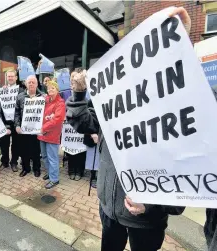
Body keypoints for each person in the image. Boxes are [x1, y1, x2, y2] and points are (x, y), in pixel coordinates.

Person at [66, 8, 191, 251]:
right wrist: (79, 92)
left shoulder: (175, 106)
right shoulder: (114, 102)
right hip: (110, 210)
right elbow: (82, 122)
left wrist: (152, 205)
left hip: (145, 219)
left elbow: (187, 178)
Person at [38, 80, 65, 189]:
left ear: (57, 90)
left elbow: (57, 120)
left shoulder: (61, 103)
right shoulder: (45, 100)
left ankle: (54, 179)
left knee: (52, 158)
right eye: (48, 88)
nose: (50, 90)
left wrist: (43, 128)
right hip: (42, 134)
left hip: (52, 135)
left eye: (52, 88)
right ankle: (50, 173)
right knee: (44, 156)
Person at [15, 75, 42, 178]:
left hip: (36, 129)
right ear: (26, 84)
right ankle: (26, 168)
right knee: (24, 150)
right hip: (23, 129)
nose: (31, 84)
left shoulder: (42, 96)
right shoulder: (20, 97)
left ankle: (37, 168)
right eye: (29, 82)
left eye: (33, 82)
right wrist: (17, 125)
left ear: (36, 84)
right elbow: (17, 112)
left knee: (36, 150)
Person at [0, 70, 21, 172]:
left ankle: (14, 162)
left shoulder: (20, 90)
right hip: (5, 121)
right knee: (4, 143)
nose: (10, 78)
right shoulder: (3, 90)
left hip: (16, 121)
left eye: (12, 76)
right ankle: (5, 162)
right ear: (6, 78)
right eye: (9, 76)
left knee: (16, 144)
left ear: (16, 78)